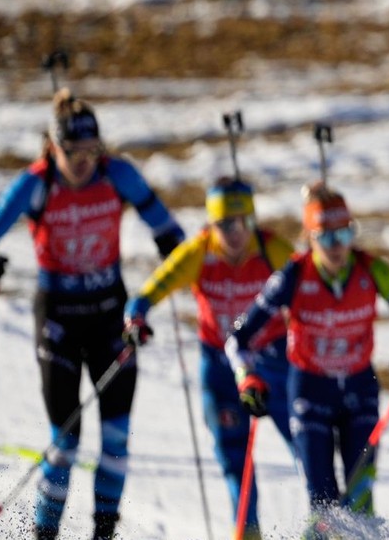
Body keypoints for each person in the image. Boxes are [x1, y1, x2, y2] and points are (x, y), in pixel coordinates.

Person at [0, 89, 184, 540]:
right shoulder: (37, 183)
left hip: (109, 320)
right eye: (70, 152)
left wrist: (173, 256)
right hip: (58, 322)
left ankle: (104, 533)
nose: (81, 161)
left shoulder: (116, 174)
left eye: (89, 151)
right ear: (52, 147)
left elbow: (169, 230)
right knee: (64, 445)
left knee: (116, 442)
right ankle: (44, 534)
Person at [225, 181, 389, 539]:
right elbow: (238, 339)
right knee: (322, 507)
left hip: (359, 388)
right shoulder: (293, 276)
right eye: (325, 237)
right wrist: (246, 378)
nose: (337, 246)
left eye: (344, 234)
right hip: (310, 390)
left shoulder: (371, 268)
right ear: (310, 237)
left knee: (359, 500)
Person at [126, 177, 296, 540]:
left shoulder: (273, 250)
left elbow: (311, 290)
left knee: (307, 449)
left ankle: (330, 526)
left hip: (274, 363)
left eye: (243, 223)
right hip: (219, 367)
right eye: (224, 225)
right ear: (211, 224)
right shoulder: (198, 252)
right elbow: (149, 291)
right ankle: (247, 533)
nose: (235, 234)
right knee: (235, 459)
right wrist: (136, 318)